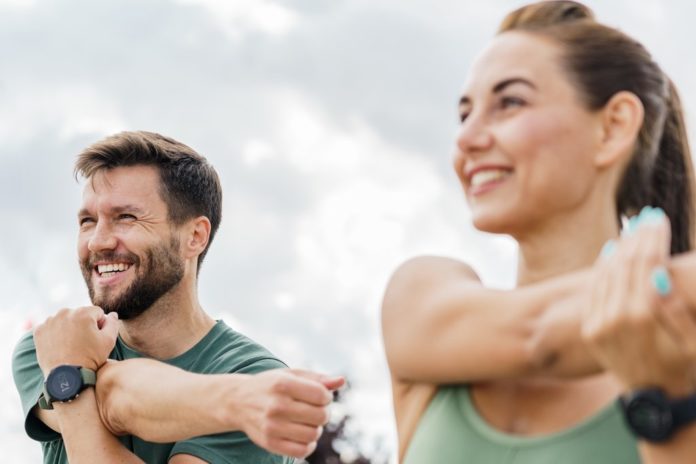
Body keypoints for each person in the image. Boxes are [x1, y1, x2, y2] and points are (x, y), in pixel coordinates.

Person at [382, 1, 696, 462]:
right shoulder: (422, 293)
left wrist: (670, 409)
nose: (467, 139)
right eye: (465, 114)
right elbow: (537, 334)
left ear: (612, 127)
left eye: (509, 102)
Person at [12, 131, 344, 463]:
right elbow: (115, 397)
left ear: (195, 237)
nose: (98, 241)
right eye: (87, 221)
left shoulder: (252, 375)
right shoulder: (46, 344)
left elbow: (112, 397)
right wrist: (233, 401)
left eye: (126, 217)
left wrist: (68, 379)